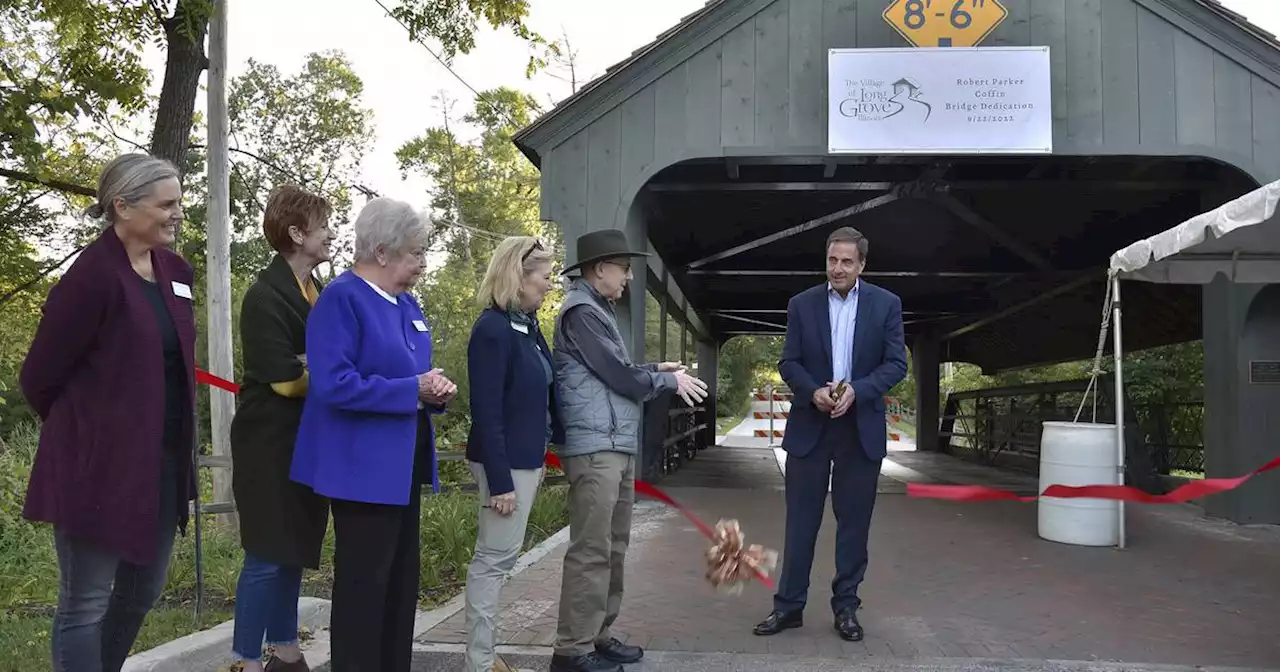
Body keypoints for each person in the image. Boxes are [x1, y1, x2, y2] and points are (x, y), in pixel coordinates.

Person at [20, 153, 196, 672]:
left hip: (162, 464)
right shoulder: (91, 277)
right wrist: (93, 432)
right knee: (86, 604)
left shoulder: (175, 270)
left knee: (142, 592)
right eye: (167, 204)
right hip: (97, 469)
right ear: (122, 206)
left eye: (180, 202)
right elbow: (39, 378)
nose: (177, 213)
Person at [289, 197, 457, 672]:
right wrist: (413, 388)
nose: (423, 263)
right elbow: (334, 383)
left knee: (401, 585)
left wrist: (434, 390)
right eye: (416, 253)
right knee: (365, 588)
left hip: (402, 466)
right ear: (381, 252)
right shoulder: (342, 300)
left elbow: (413, 375)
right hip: (360, 469)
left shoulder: (406, 303)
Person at [549, 229, 709, 672]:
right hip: (595, 447)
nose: (630, 279)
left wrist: (655, 369)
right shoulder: (581, 311)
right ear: (600, 269)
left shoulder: (596, 311)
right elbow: (618, 377)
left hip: (613, 445)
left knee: (612, 546)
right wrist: (666, 381)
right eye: (624, 269)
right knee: (592, 549)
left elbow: (612, 372)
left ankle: (596, 636)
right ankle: (572, 650)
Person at [752, 226, 907, 643]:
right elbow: (790, 362)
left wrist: (858, 390)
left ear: (862, 265)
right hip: (811, 427)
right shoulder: (801, 305)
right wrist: (813, 391)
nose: (838, 269)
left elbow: (896, 364)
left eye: (846, 262)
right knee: (800, 523)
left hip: (860, 430)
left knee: (853, 525)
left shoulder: (886, 305)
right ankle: (788, 608)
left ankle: (846, 608)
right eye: (832, 260)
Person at [228, 185, 338, 672]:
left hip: (308, 441)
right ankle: (246, 660)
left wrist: (315, 364)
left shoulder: (321, 293)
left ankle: (287, 652)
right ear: (296, 233)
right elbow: (287, 382)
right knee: (267, 553)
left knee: (294, 547)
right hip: (269, 445)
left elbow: (326, 363)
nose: (331, 233)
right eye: (323, 225)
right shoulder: (264, 296)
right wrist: (324, 370)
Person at [463, 236, 565, 672]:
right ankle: (480, 662)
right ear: (518, 276)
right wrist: (502, 481)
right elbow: (486, 411)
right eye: (543, 275)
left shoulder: (527, 327)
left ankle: (486, 656)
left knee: (501, 557)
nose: (548, 283)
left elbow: (543, 397)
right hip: (502, 463)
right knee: (492, 560)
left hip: (526, 458)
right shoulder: (492, 329)